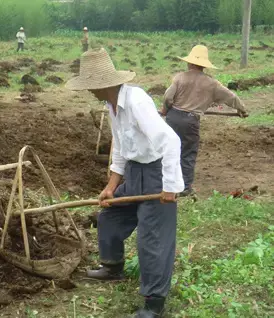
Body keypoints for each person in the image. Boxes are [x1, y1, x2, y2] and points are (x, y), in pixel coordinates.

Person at [66, 48, 184, 318]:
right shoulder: (111, 106)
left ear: (102, 84)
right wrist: (111, 185)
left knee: (151, 240)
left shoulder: (136, 102)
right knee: (110, 215)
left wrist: (170, 186)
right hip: (134, 173)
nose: (88, 92)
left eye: (90, 86)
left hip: (156, 175)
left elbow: (171, 141)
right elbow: (120, 148)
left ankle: (154, 304)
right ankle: (112, 267)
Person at [162, 45, 248, 197]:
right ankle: (185, 188)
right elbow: (231, 97)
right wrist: (241, 109)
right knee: (187, 153)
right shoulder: (211, 83)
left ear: (190, 63)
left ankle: (165, 183)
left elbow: (168, 97)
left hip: (173, 117)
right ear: (204, 65)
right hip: (190, 121)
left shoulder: (179, 77)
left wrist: (164, 110)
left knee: (169, 150)